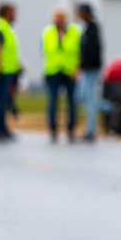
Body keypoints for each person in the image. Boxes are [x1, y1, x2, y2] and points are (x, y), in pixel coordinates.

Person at [41, 9, 81, 143]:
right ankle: (53, 128)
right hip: (53, 71)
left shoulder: (75, 32)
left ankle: (71, 128)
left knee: (72, 101)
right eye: (55, 18)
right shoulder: (48, 32)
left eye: (60, 18)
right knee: (53, 101)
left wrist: (77, 69)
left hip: (70, 71)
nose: (57, 21)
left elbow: (80, 51)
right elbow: (44, 51)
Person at [0, 3, 22, 142]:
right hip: (2, 70)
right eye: (13, 12)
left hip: (9, 70)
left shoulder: (6, 27)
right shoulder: (0, 26)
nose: (15, 15)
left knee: (6, 101)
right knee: (0, 102)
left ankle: (3, 129)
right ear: (6, 13)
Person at [75, 2, 103, 141]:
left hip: (91, 69)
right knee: (83, 97)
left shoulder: (93, 29)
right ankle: (90, 128)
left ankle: (91, 130)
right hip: (87, 70)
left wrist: (83, 64)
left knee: (90, 99)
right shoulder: (86, 29)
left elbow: (92, 51)